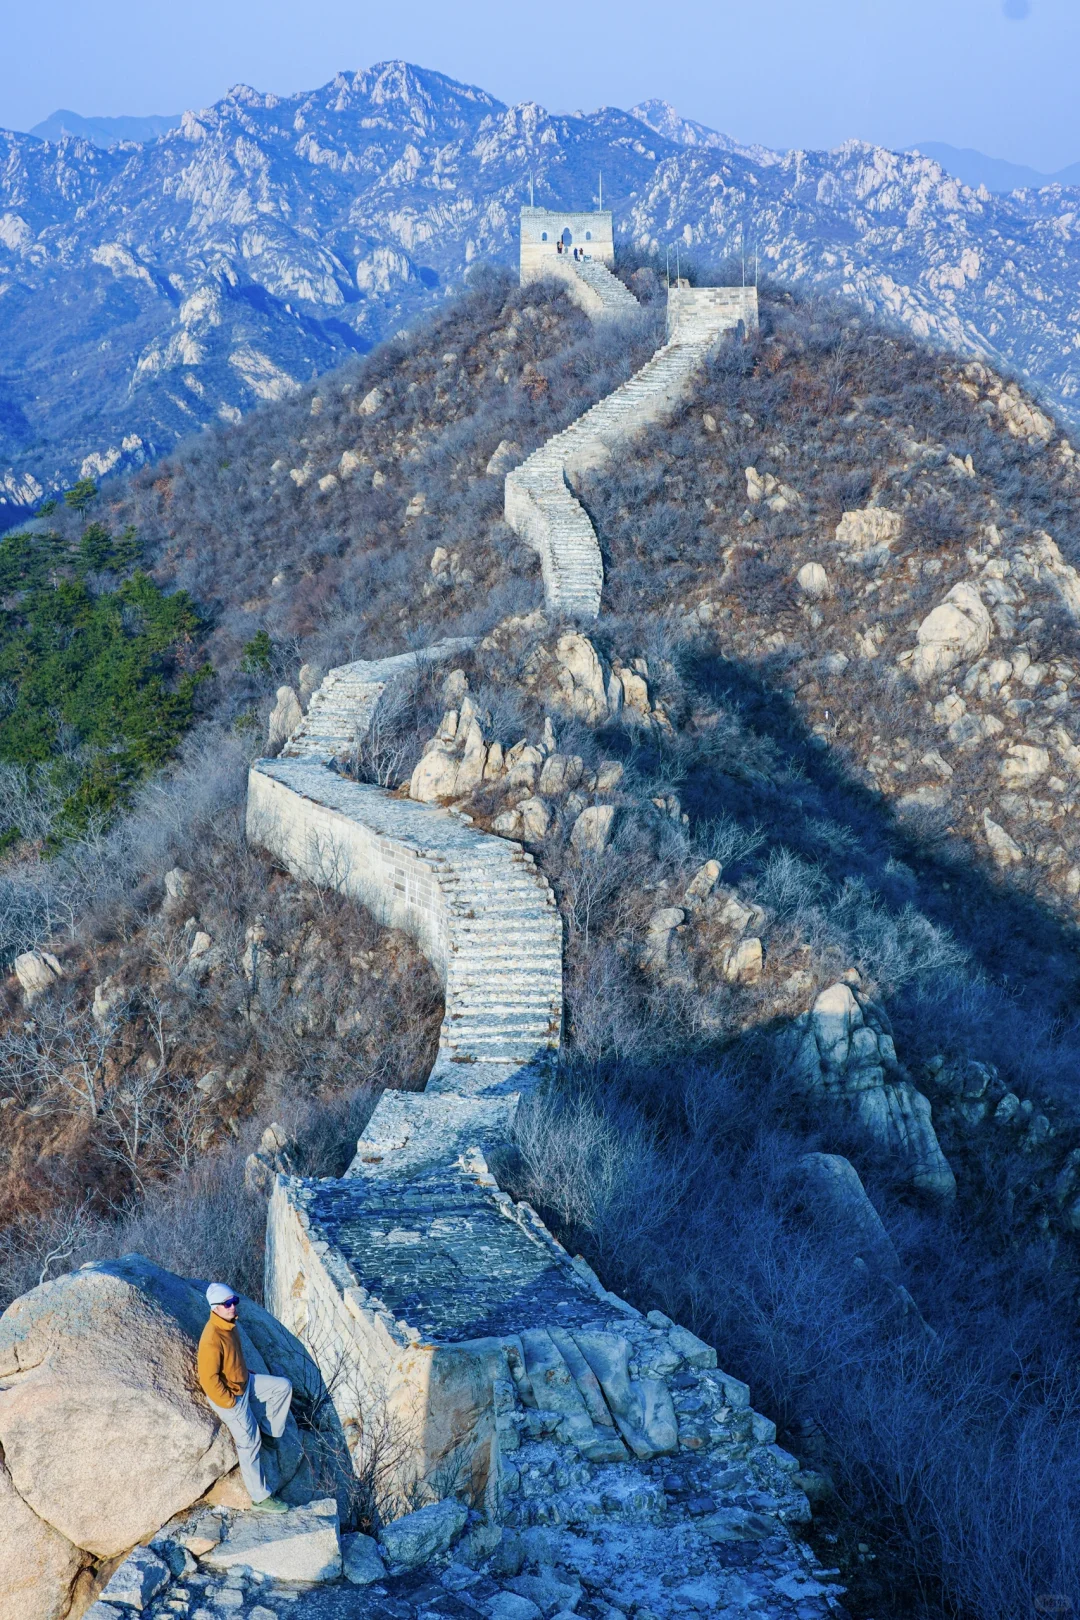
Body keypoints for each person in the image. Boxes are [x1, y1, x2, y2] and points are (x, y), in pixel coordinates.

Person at [197, 1282, 293, 1512]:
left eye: (234, 1301)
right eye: (227, 1304)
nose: (232, 1307)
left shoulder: (230, 1326)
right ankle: (260, 1497)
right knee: (249, 1443)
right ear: (215, 1308)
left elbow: (234, 1359)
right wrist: (230, 1402)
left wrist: (244, 1374)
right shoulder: (212, 1338)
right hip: (231, 1398)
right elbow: (208, 1380)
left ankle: (270, 1432)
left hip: (244, 1383)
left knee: (282, 1387)